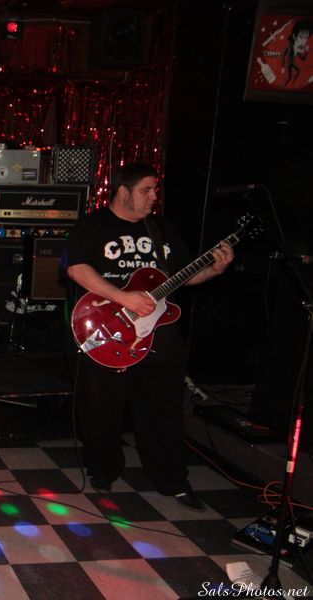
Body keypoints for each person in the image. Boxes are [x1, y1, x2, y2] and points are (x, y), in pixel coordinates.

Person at [65, 162, 234, 511]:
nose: (153, 196)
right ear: (122, 190)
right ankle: (103, 468)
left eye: (155, 190)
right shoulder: (92, 225)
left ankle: (172, 479)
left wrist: (214, 270)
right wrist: (123, 297)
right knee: (102, 408)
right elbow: (76, 268)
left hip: (159, 334)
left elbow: (183, 276)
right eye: (146, 190)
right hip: (110, 327)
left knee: (165, 409)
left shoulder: (161, 228)